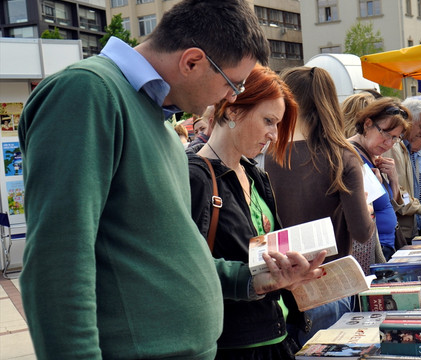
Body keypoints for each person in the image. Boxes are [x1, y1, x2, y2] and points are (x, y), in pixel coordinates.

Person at [18, 1, 324, 358]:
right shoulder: (89, 92)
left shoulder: (157, 121)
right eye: (233, 84)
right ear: (191, 61)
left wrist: (255, 280)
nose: (231, 97)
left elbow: (168, 252)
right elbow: (58, 262)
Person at [189, 65, 312, 359]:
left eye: (278, 124)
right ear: (232, 110)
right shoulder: (195, 178)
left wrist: (292, 272)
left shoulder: (254, 173)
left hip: (276, 333)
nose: (273, 134)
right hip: (234, 345)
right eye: (268, 120)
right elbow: (186, 269)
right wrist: (255, 280)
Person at [265, 66, 376, 347]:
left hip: (279, 287)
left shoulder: (269, 155)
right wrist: (366, 206)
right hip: (328, 283)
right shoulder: (342, 157)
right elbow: (362, 233)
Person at [348, 97, 410, 260]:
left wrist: (393, 181)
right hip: (373, 252)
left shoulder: (370, 156)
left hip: (386, 247)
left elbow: (390, 208)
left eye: (396, 138)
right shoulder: (350, 156)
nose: (389, 143)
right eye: (386, 134)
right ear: (368, 124)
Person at [384, 98, 421, 241]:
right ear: (408, 121)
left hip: (414, 227)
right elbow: (396, 191)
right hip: (399, 231)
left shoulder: (409, 149)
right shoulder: (392, 148)